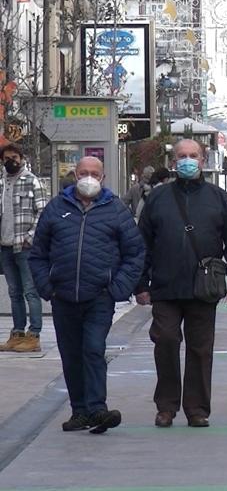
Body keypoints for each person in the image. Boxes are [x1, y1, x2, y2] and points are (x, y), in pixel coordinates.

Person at [135, 139, 227, 428]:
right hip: (165, 286)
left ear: (203, 159)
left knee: (200, 348)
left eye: (193, 156)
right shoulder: (158, 198)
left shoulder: (218, 197)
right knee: (166, 340)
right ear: (174, 162)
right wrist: (141, 284)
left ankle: (197, 408)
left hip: (203, 287)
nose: (187, 160)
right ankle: (166, 406)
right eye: (182, 156)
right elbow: (142, 244)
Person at [28, 157, 145, 434]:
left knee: (93, 349)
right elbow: (38, 254)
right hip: (63, 296)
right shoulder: (56, 208)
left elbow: (135, 253)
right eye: (84, 173)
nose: (88, 178)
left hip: (99, 297)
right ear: (75, 175)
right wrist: (47, 287)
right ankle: (79, 411)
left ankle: (97, 409)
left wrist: (117, 288)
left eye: (94, 173)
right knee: (71, 355)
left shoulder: (116, 210)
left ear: (103, 178)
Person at [0, 144, 47, 353]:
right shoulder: (2, 183)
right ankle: (17, 332)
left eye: (14, 157)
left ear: (21, 158)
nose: (11, 161)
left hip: (25, 245)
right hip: (5, 244)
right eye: (6, 158)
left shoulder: (31, 181)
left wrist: (30, 237)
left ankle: (34, 334)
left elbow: (43, 212)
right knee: (14, 292)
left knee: (30, 291)